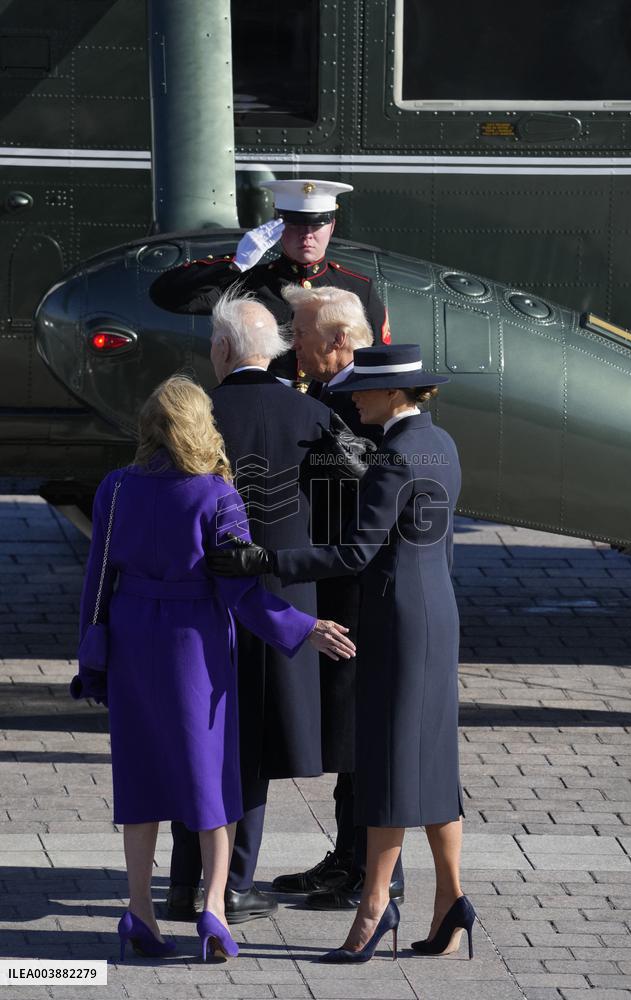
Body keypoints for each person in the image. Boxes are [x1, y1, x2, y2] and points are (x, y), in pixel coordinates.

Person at [71, 375, 355, 961]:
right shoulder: (217, 496)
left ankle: (140, 913)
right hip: (193, 645)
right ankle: (215, 911)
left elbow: (96, 579)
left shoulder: (116, 489)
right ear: (202, 426)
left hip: (130, 639)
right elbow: (243, 592)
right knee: (211, 783)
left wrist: (92, 652)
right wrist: (303, 628)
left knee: (142, 781)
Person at [207, 344, 475, 963]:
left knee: (384, 764)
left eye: (365, 388)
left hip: (398, 620)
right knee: (434, 763)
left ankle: (374, 908)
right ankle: (452, 900)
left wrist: (265, 559)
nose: (354, 396)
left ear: (395, 394)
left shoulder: (393, 458)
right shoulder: (443, 445)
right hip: (439, 613)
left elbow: (355, 554)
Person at [166, 292, 347, 926]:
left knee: (201, 743)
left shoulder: (195, 415)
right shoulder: (313, 415)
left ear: (221, 349)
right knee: (258, 750)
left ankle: (185, 880)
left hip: (203, 603)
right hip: (286, 603)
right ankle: (233, 884)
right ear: (272, 353)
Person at [270, 285, 404, 912]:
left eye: (298, 332)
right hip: (339, 582)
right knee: (349, 726)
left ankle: (368, 870)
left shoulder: (362, 401)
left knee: (359, 727)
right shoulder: (330, 392)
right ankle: (350, 857)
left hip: (359, 590)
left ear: (339, 341)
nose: (291, 343)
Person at [149, 178, 391, 378]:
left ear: (332, 227)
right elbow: (167, 295)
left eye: (316, 226)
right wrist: (234, 264)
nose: (306, 236)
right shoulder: (249, 284)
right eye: (295, 226)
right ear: (277, 227)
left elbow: (380, 362)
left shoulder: (359, 289)